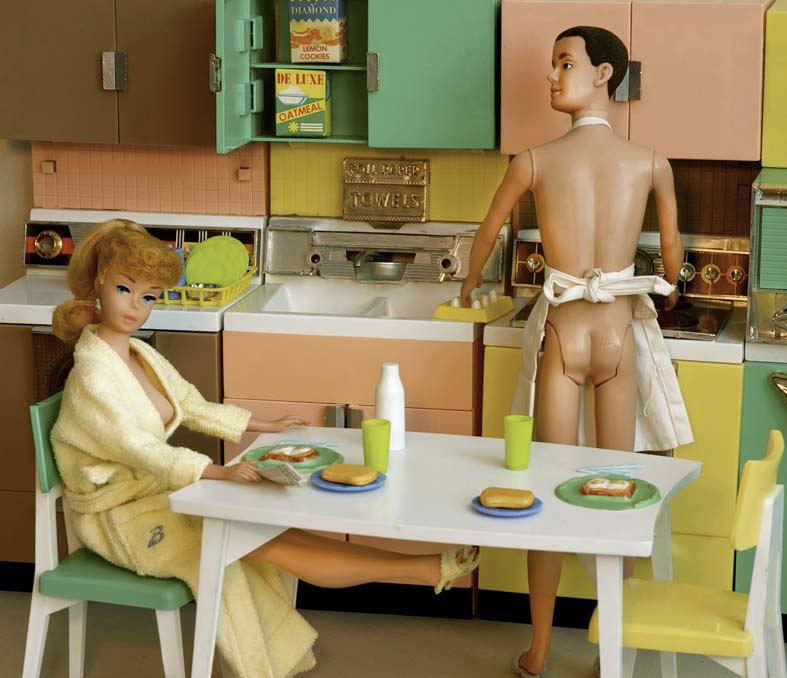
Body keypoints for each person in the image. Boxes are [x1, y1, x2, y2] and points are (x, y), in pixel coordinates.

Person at [50, 219, 480, 678]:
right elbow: (140, 449)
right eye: (124, 289)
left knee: (261, 528)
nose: (136, 306)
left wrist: (262, 424)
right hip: (117, 519)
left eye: (149, 296)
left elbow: (190, 404)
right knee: (245, 541)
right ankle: (417, 571)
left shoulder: (138, 354)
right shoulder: (92, 374)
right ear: (98, 284)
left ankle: (419, 569)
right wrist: (219, 473)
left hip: (156, 496)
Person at [460, 26, 694, 677]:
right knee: (614, 494)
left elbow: (488, 232)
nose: (552, 75)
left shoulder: (533, 161)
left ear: (604, 74)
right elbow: (672, 252)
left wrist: (468, 284)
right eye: (553, 64)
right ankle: (612, 650)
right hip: (616, 334)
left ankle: (539, 648)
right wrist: (670, 289)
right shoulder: (650, 162)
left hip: (564, 336)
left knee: (546, 490)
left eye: (565, 63)